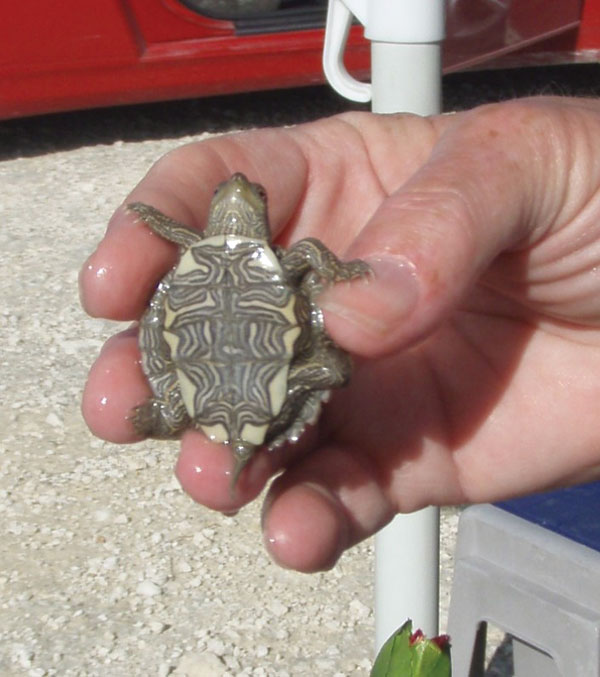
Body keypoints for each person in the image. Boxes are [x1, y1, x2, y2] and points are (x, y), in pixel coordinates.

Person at [80, 96, 600, 573]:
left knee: (324, 367)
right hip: (239, 364)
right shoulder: (224, 248)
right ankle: (195, 424)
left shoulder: (272, 256)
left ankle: (215, 432)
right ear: (217, 207)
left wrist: (351, 274)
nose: (238, 195)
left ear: (261, 210)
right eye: (227, 192)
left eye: (252, 193)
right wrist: (151, 218)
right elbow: (291, 257)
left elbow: (306, 257)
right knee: (222, 394)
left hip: (251, 362)